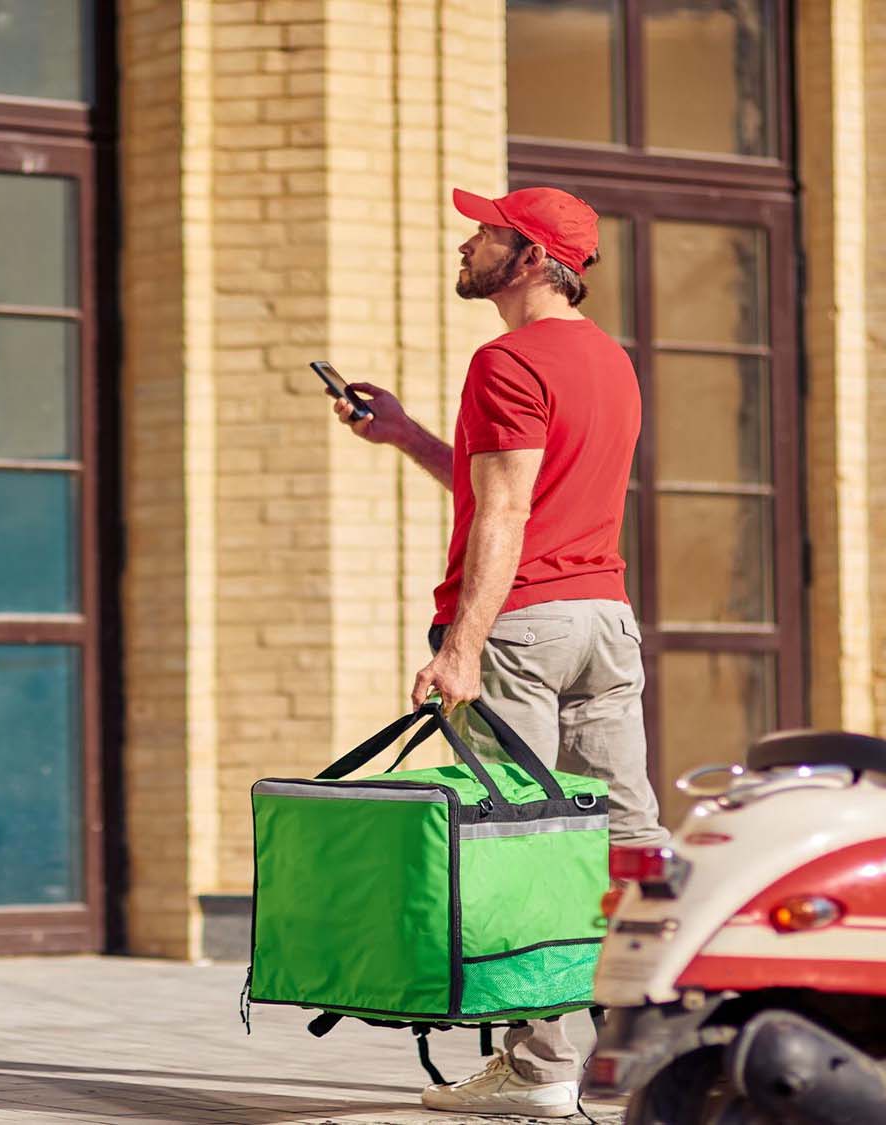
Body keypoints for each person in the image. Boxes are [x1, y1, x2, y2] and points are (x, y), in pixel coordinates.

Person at [331, 185, 670, 1118]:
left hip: (521, 626)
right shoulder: (612, 362)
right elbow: (503, 490)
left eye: (486, 231)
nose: (467, 239)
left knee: (518, 843)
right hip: (605, 621)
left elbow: (511, 510)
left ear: (527, 260)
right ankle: (658, 1040)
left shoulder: (507, 359)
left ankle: (538, 1070)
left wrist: (463, 648)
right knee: (623, 837)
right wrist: (403, 435)